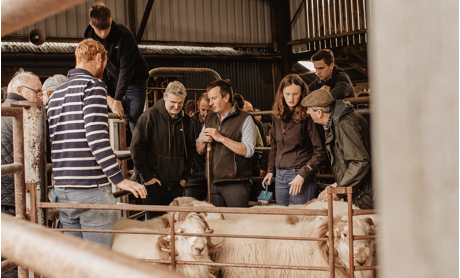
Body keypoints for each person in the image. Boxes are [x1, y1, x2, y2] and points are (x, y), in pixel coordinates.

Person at [46, 39, 147, 248]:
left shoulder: (55, 96)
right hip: (91, 189)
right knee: (99, 260)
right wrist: (119, 179)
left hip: (63, 189)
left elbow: (55, 141)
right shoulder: (93, 86)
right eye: (105, 62)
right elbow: (96, 138)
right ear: (99, 58)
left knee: (77, 260)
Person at [130, 81, 195, 219]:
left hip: (177, 185)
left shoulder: (187, 121)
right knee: (156, 227)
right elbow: (136, 149)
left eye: (180, 103)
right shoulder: (149, 117)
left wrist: (185, 178)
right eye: (173, 102)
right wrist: (147, 177)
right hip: (154, 185)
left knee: (176, 226)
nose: (176, 106)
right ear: (165, 96)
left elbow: (191, 149)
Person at [302, 88, 374, 209]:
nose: (308, 114)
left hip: (365, 192)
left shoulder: (343, 124)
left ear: (319, 113)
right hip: (360, 187)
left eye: (309, 111)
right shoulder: (337, 122)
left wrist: (340, 191)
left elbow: (360, 162)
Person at [262, 74, 327, 206]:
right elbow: (274, 145)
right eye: (287, 94)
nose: (291, 98)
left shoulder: (309, 116)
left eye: (295, 94)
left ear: (302, 93)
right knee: (283, 218)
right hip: (280, 175)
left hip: (299, 174)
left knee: (300, 218)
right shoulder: (277, 116)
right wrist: (270, 171)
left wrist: (303, 174)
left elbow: (321, 151)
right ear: (281, 94)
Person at [84, 2, 149, 133]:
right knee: (102, 112)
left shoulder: (124, 35)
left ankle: (136, 153)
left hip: (135, 79)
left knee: (135, 120)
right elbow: (97, 69)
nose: (103, 34)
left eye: (106, 29)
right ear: (92, 25)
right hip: (112, 78)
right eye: (99, 30)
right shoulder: (89, 38)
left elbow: (126, 69)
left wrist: (117, 99)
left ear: (110, 20)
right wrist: (108, 95)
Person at [196, 80, 257, 207]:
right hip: (212, 182)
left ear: (226, 97)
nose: (210, 103)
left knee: (237, 223)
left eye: (214, 98)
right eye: (209, 99)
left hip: (236, 183)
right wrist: (203, 142)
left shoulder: (245, 118)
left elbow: (248, 150)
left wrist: (221, 138)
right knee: (215, 223)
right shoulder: (210, 118)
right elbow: (199, 149)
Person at [2, 69, 43, 217]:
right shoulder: (25, 115)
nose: (40, 97)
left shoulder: (5, 111)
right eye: (37, 92)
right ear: (19, 90)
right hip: (14, 199)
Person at [185, 93, 211, 200]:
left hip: (212, 177)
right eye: (203, 109)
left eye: (209, 110)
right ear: (198, 105)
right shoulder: (189, 122)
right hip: (194, 176)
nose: (205, 113)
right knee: (192, 210)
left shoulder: (218, 122)